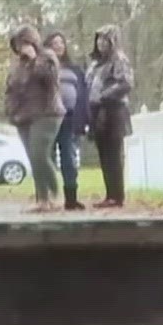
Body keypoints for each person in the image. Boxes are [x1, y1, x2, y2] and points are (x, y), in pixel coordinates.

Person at [4, 25, 63, 213]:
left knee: (40, 155)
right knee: (33, 158)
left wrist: (34, 59)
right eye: (17, 45)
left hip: (46, 113)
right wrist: (10, 111)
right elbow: (11, 89)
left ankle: (55, 195)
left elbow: (50, 79)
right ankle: (42, 199)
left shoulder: (47, 56)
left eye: (24, 43)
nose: (21, 48)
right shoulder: (17, 66)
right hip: (24, 116)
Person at [87, 24, 133, 208]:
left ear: (113, 41)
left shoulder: (119, 59)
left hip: (114, 110)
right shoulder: (95, 64)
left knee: (114, 153)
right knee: (104, 153)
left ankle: (117, 196)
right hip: (97, 110)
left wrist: (104, 94)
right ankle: (109, 195)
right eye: (98, 39)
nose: (101, 43)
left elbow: (126, 83)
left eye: (105, 39)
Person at [46, 31, 90, 212]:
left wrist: (85, 119)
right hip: (48, 118)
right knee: (47, 158)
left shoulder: (75, 69)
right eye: (54, 43)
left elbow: (83, 94)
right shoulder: (43, 66)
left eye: (61, 43)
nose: (58, 46)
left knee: (69, 159)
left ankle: (71, 199)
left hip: (70, 118)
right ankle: (47, 198)